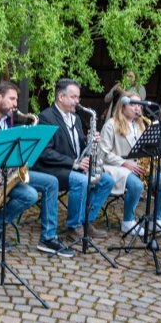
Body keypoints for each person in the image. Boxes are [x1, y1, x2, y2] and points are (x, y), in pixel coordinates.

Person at [0, 81, 72, 257]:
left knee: (49, 183)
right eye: (12, 99)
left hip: (4, 174)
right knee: (30, 194)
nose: (15, 104)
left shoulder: (7, 122)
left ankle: (47, 238)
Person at [34, 79, 116, 241]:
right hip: (52, 168)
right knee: (81, 181)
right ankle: (73, 226)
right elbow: (44, 152)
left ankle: (86, 221)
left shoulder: (76, 118)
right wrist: (74, 163)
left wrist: (90, 140)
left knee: (107, 181)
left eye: (78, 97)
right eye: (73, 97)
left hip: (73, 166)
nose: (77, 102)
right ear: (61, 97)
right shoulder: (46, 117)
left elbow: (77, 144)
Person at [99, 91, 161, 236]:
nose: (137, 108)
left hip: (138, 167)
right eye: (133, 105)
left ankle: (156, 219)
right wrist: (125, 163)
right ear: (122, 106)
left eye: (139, 105)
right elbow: (103, 153)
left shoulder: (141, 125)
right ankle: (128, 221)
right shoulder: (111, 124)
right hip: (117, 167)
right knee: (137, 185)